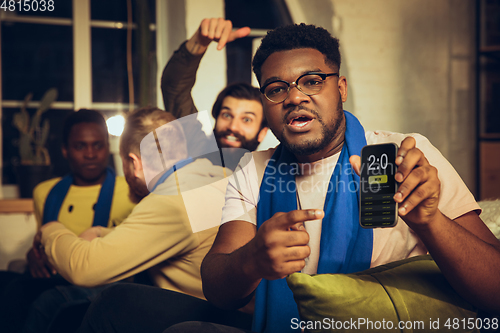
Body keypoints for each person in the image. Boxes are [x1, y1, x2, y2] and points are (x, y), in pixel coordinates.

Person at [194, 23, 500, 332]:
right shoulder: (253, 171)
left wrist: (430, 221)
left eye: (312, 82)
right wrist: (251, 260)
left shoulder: (405, 156)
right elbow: (217, 291)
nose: (294, 98)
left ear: (340, 88)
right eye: (276, 89)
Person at [35, 107, 252, 333]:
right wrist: (101, 232)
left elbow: (84, 268)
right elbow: (175, 237)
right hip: (246, 313)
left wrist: (49, 229)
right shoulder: (219, 175)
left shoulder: (171, 200)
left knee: (113, 303)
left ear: (134, 162)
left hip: (226, 319)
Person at [0, 109, 135, 333]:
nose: (90, 154)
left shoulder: (130, 189)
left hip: (104, 278)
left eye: (98, 145)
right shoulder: (45, 192)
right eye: (80, 146)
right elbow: (45, 241)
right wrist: (33, 255)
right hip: (56, 274)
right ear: (65, 150)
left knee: (34, 297)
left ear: (107, 147)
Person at [161, 18, 268, 152]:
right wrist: (200, 41)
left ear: (262, 133)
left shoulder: (272, 170)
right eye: (226, 115)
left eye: (246, 119)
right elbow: (175, 88)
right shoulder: (198, 149)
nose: (233, 127)